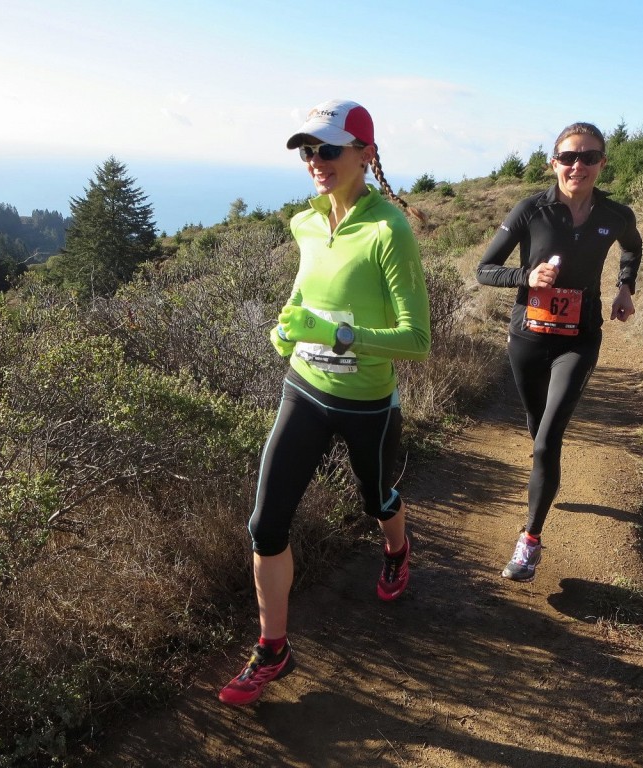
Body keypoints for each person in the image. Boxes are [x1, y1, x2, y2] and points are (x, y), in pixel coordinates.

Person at [218, 99, 431, 706]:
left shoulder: (389, 229)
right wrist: (286, 328)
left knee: (378, 499)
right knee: (265, 525)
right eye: (308, 151)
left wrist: (337, 334)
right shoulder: (305, 222)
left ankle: (396, 549)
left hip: (367, 401)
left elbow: (417, 340)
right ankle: (273, 649)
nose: (316, 161)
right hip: (305, 388)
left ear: (365, 154)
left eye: (329, 149)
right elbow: (303, 297)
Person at [475, 122, 642, 583]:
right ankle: (544, 475)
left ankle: (530, 540)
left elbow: (633, 247)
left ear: (602, 163)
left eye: (589, 157)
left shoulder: (615, 213)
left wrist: (625, 287)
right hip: (528, 336)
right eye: (568, 157)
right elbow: (484, 269)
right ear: (554, 163)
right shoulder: (531, 210)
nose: (578, 165)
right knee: (535, 427)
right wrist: (525, 278)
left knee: (549, 438)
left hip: (580, 337)